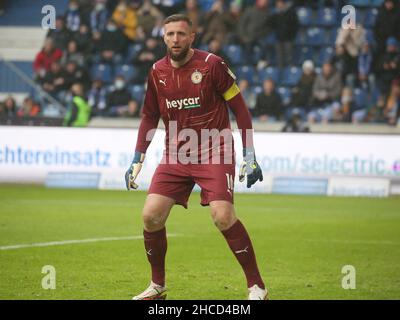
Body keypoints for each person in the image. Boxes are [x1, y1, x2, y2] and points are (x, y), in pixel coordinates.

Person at [125, 14, 267, 300]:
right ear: (163, 37)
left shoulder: (212, 65)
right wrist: (138, 157)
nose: (175, 39)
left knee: (222, 215)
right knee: (151, 216)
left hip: (215, 149)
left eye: (180, 34)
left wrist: (249, 154)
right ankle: (157, 287)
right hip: (176, 153)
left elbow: (241, 110)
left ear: (192, 37)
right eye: (169, 34)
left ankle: (257, 287)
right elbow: (149, 116)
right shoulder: (156, 72)